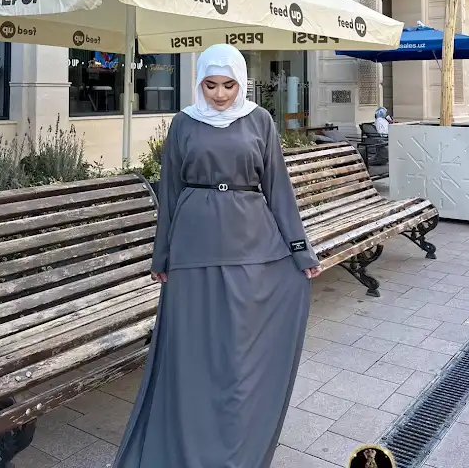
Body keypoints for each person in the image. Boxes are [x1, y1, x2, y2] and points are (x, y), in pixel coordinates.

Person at [113, 44, 321, 468]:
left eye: (229, 85)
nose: (220, 94)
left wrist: (301, 251)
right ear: (199, 83)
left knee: (240, 351)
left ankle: (236, 442)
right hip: (193, 247)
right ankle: (189, 440)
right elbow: (170, 192)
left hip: (252, 243)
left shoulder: (260, 120)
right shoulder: (184, 123)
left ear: (241, 82)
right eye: (211, 85)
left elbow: (278, 189)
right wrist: (161, 256)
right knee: (193, 350)